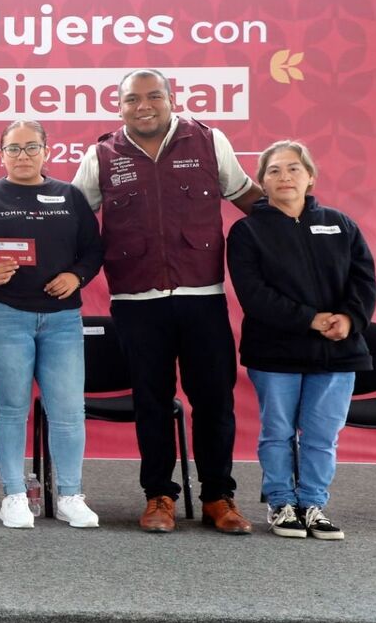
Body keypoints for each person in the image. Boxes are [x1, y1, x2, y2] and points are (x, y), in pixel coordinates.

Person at [71, 68, 263, 533]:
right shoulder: (101, 155)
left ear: (172, 98)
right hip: (136, 302)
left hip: (203, 297)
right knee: (151, 402)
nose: (144, 106)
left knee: (214, 400)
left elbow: (248, 198)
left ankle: (219, 496)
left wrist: (302, 219)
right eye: (132, 99)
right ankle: (159, 495)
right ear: (119, 107)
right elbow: (72, 219)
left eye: (153, 96)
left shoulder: (209, 140)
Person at [0, 120, 104, 530]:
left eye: (31, 147)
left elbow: (93, 251)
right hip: (1, 318)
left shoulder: (70, 196)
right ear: (1, 154)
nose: (23, 156)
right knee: (10, 409)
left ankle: (70, 495)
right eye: (14, 149)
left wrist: (77, 277)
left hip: (61, 321)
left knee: (69, 410)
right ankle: (14, 496)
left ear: (46, 151)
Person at [227, 140, 376, 541]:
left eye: (293, 169)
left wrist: (349, 318)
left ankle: (312, 503)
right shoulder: (246, 232)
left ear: (310, 176)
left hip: (338, 352)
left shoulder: (341, 224)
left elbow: (364, 281)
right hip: (275, 352)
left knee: (322, 435)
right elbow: (254, 294)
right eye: (273, 171)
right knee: (276, 432)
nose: (284, 177)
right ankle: (282, 504)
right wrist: (310, 320)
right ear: (261, 182)